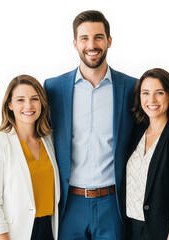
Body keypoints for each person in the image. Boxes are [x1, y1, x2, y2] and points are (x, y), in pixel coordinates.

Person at [43, 10, 137, 240]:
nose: (91, 44)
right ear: (75, 43)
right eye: (84, 38)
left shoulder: (132, 88)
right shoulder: (53, 88)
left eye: (98, 37)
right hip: (69, 203)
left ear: (109, 41)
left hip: (113, 203)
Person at [120, 68, 169, 240]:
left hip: (166, 232)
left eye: (159, 93)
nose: (151, 99)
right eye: (145, 93)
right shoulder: (135, 133)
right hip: (132, 230)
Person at [0, 75, 60, 240]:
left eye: (34, 99)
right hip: (14, 234)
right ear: (9, 104)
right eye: (20, 100)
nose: (28, 106)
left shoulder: (49, 141)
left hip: (48, 230)